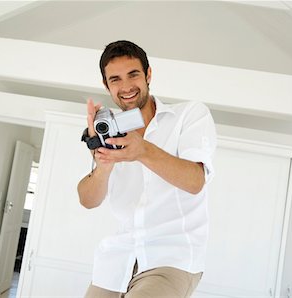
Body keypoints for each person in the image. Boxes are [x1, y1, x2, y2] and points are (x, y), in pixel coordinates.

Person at [77, 40, 217, 298]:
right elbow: (88, 199)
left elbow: (195, 181)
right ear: (106, 86)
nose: (126, 86)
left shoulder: (189, 115)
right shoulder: (110, 132)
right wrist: (104, 162)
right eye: (115, 79)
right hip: (118, 259)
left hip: (171, 258)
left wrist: (143, 150)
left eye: (133, 74)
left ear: (148, 74)